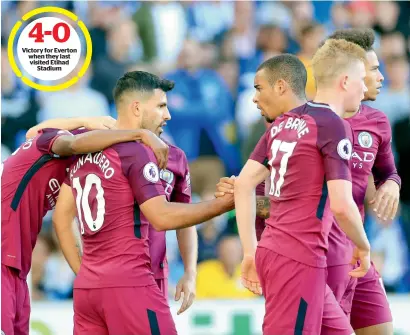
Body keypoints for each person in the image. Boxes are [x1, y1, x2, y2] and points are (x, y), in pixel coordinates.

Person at [59, 71, 233, 335]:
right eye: (162, 106)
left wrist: (189, 271)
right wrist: (228, 203)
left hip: (98, 286)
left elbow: (62, 218)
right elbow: (163, 216)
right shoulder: (136, 152)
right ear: (137, 107)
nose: (168, 115)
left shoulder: (86, 149)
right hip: (133, 280)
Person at [234, 41, 370, 334]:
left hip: (280, 251)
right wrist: (363, 244)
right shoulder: (331, 124)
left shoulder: (283, 123)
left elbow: (244, 183)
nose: (365, 88)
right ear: (346, 81)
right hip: (299, 257)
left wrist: (250, 251)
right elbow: (342, 205)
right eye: (362, 79)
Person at [1, 116, 169, 335]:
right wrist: (136, 132)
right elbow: (56, 139)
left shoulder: (72, 167)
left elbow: (33, 132)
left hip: (16, 265)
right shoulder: (60, 141)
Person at [323, 28, 400, 335]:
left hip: (358, 250)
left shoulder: (377, 121)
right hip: (323, 253)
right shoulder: (312, 121)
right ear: (349, 75)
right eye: (374, 69)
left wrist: (392, 185)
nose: (381, 76)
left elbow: (388, 173)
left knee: (382, 329)